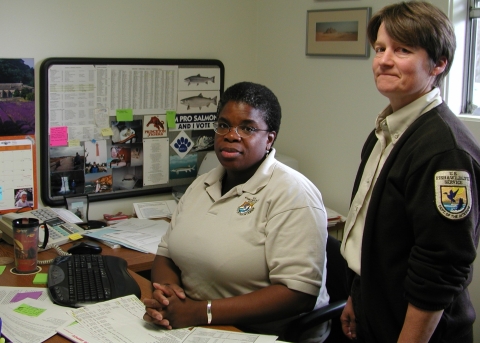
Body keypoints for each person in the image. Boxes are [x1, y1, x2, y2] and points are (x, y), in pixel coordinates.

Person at [143, 81, 329, 341]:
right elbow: (166, 254)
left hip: (262, 334)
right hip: (198, 326)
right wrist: (168, 292)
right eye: (223, 125)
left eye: (247, 128)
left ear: (269, 139)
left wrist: (199, 313)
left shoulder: (292, 193)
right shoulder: (202, 184)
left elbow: (298, 294)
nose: (231, 135)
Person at [340, 2, 480, 342]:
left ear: (439, 63)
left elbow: (442, 265)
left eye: (402, 50)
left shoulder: (444, 150)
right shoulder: (388, 130)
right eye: (380, 49)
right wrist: (356, 296)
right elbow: (373, 234)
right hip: (374, 308)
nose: (384, 60)